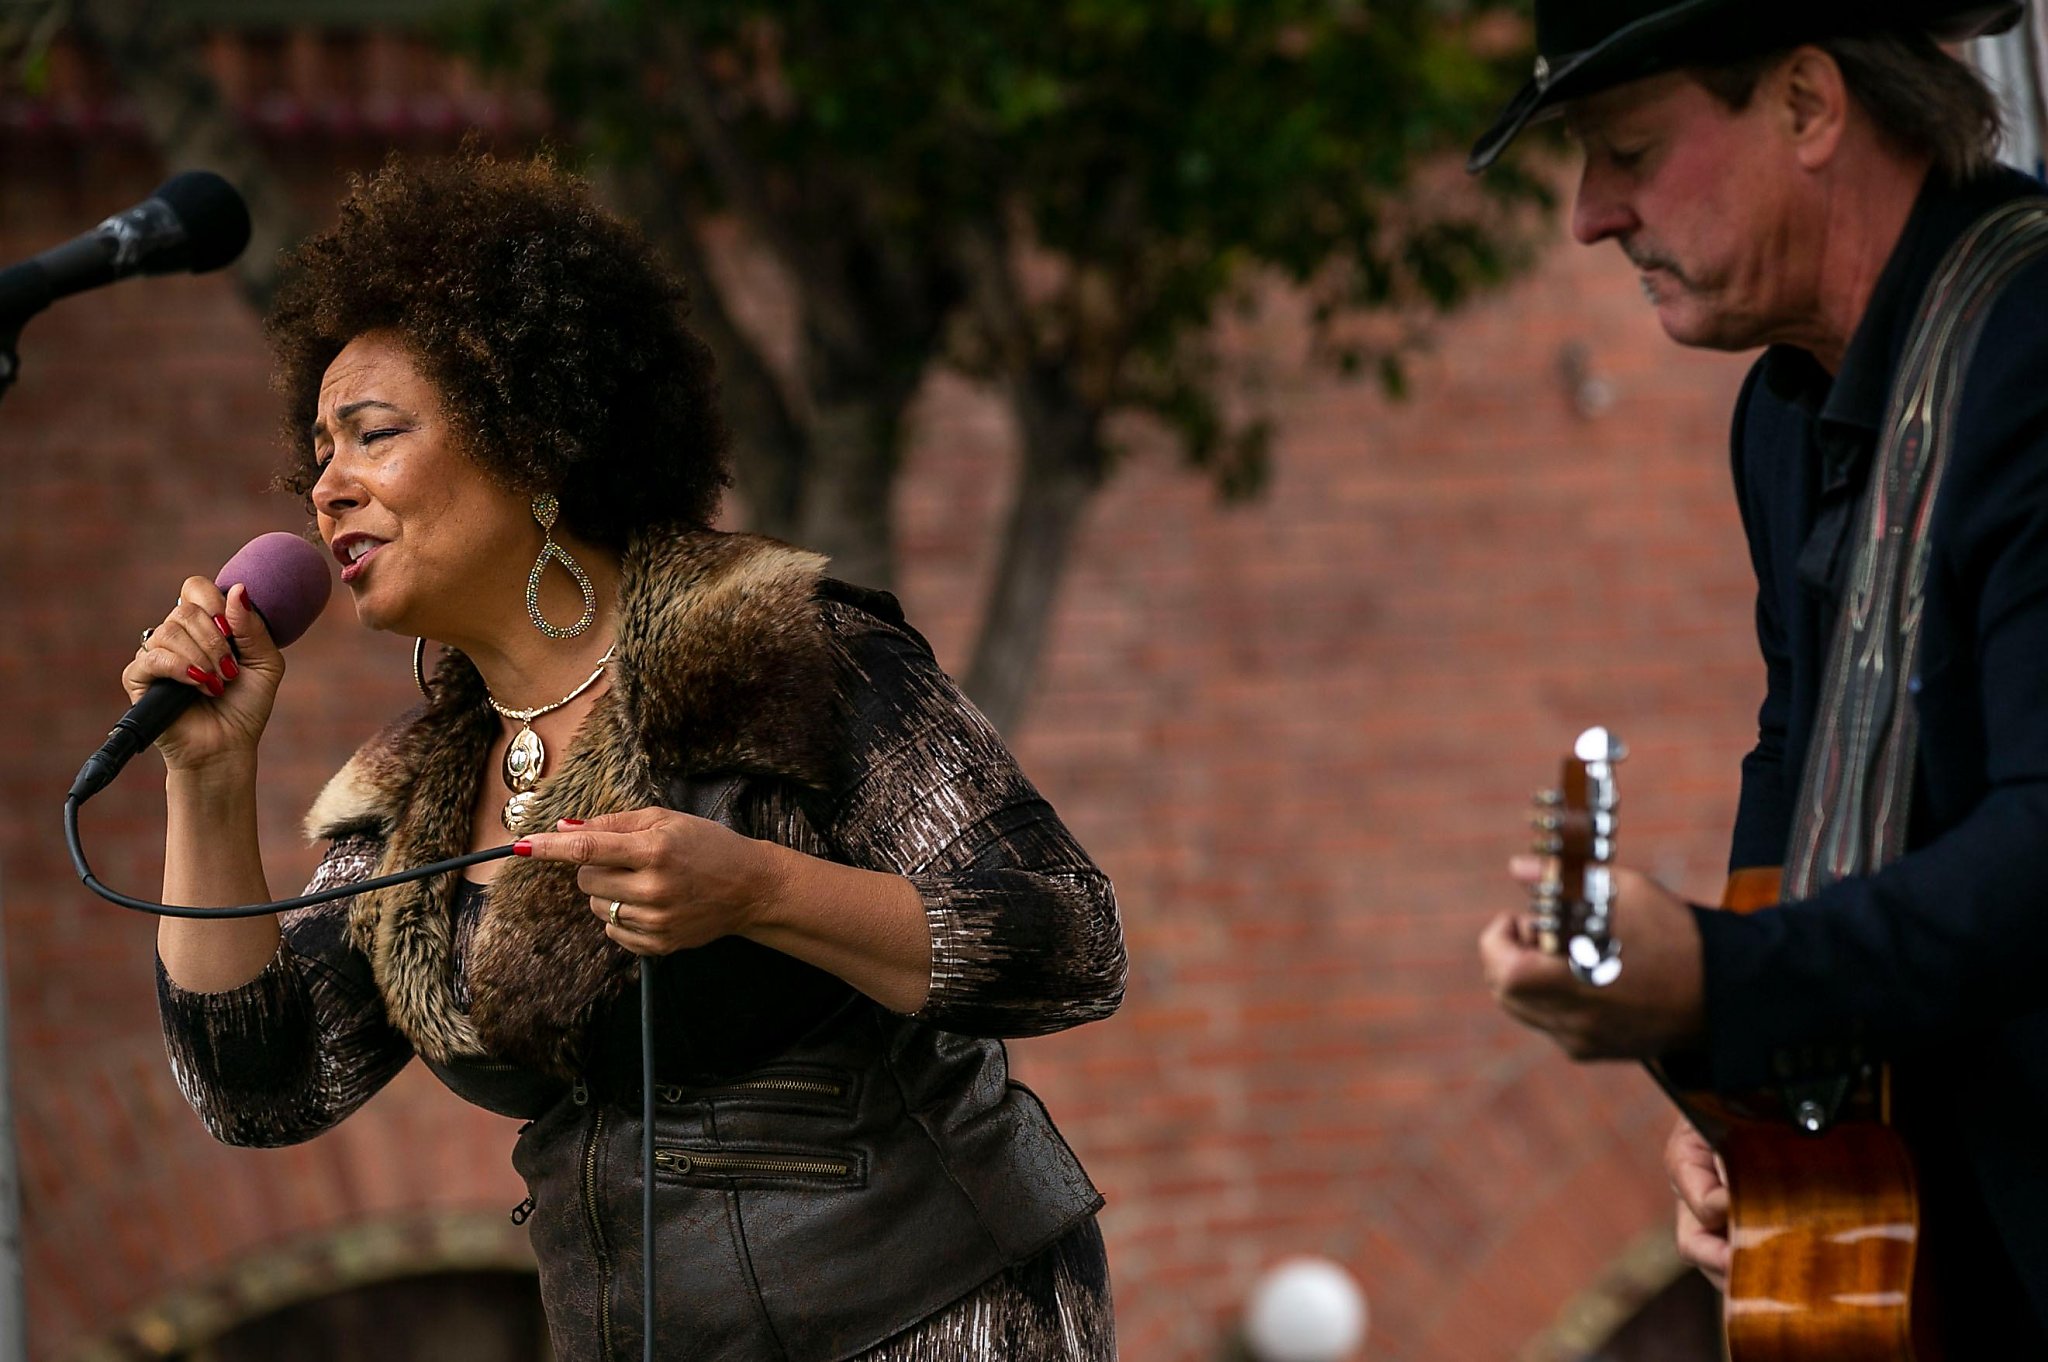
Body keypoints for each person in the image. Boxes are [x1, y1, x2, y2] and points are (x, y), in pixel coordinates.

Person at [133, 152, 1125, 1362]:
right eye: (317, 454)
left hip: (931, 1313)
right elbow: (260, 1088)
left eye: (371, 435)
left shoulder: (779, 648)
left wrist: (761, 891)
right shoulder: (416, 799)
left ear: (534, 441)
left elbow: (1067, 942)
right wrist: (208, 775)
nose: (324, 487)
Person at [1466, 0, 2048, 1350]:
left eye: (1626, 148)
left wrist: (1727, 983)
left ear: (1805, 106)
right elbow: (1792, 776)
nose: (1590, 215)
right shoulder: (1782, 416)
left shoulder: (2032, 354)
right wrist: (1758, 1122)